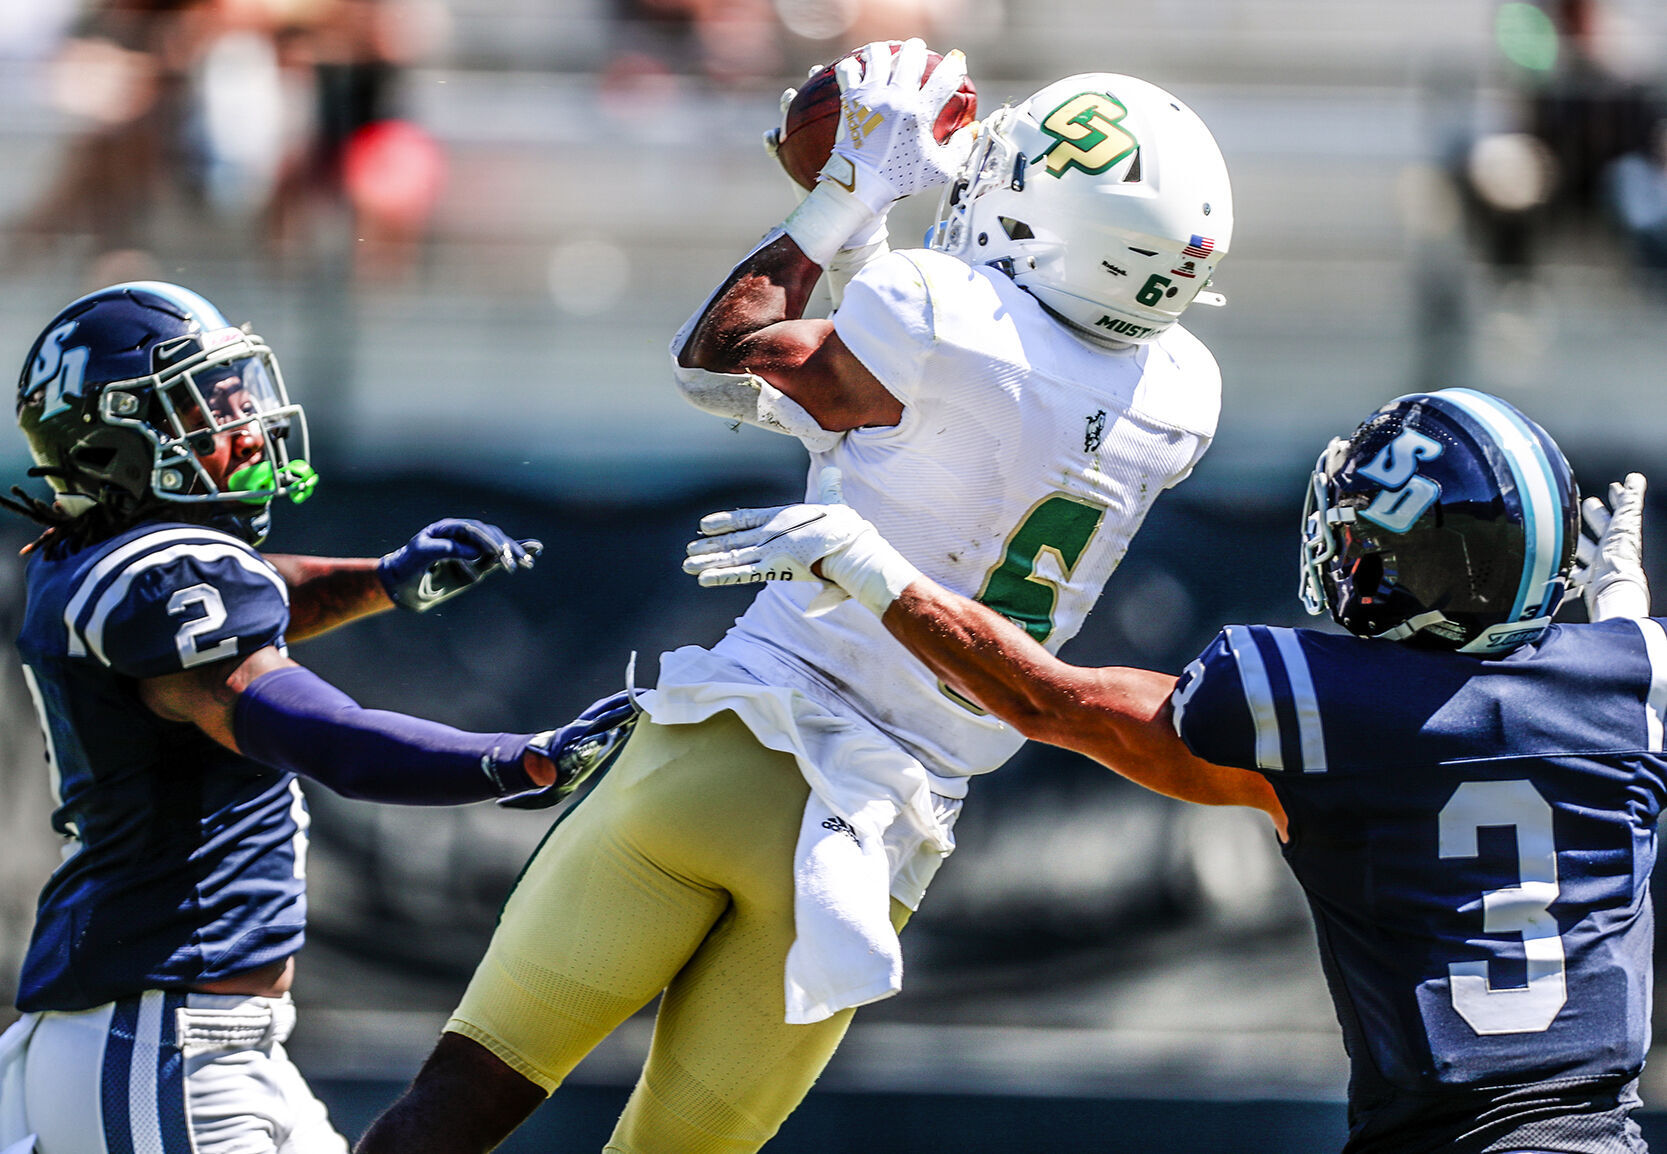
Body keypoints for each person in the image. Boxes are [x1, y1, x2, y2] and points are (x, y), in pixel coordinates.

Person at [358, 41, 1235, 1154]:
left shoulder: (934, 304)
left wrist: (844, 200)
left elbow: (718, 360)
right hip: (882, 834)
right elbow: (954, 416)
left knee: (454, 1108)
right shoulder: (1178, 394)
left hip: (729, 754)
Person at [684, 387, 1659, 1154]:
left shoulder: (1326, 709)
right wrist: (1623, 619)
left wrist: (879, 576)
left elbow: (1045, 700)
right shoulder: (1632, 683)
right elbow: (1571, 695)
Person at [0, 281, 634, 1154]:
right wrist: (522, 759)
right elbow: (324, 738)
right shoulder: (160, 582)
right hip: (160, 1041)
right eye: (206, 402)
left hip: (180, 1032)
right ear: (116, 438)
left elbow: (260, 588)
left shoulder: (97, 558)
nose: (246, 422)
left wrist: (382, 580)